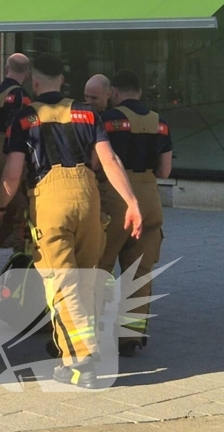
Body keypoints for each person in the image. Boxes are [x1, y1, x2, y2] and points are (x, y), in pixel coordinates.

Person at [0, 54, 142, 389]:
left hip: (50, 198)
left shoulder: (25, 118)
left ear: (35, 82)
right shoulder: (87, 113)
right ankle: (74, 351)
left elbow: (13, 173)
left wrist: (0, 208)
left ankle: (80, 364)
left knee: (63, 283)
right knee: (86, 279)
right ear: (63, 79)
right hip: (88, 196)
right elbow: (108, 159)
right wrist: (132, 202)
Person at [97, 70, 171, 357]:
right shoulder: (160, 121)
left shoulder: (107, 120)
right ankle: (131, 335)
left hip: (116, 196)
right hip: (150, 197)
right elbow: (165, 171)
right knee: (139, 270)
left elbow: (97, 161)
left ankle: (94, 331)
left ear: (114, 92)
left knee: (100, 266)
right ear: (139, 91)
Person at [0, 53, 31, 257]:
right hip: (13, 154)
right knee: (23, 209)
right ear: (27, 73)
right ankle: (22, 257)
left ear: (6, 68)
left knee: (0, 207)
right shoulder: (23, 96)